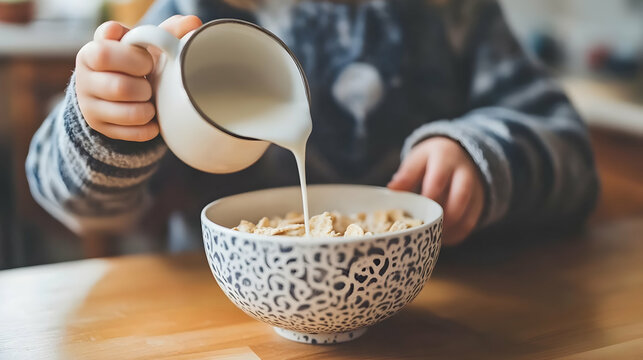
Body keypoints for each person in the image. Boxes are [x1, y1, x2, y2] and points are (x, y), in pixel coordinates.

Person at [26, 0, 599, 251]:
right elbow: (75, 204)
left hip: (436, 323)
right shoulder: (192, 13)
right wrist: (103, 121)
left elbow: (573, 157)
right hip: (219, 324)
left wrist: (480, 153)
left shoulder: (452, 13)